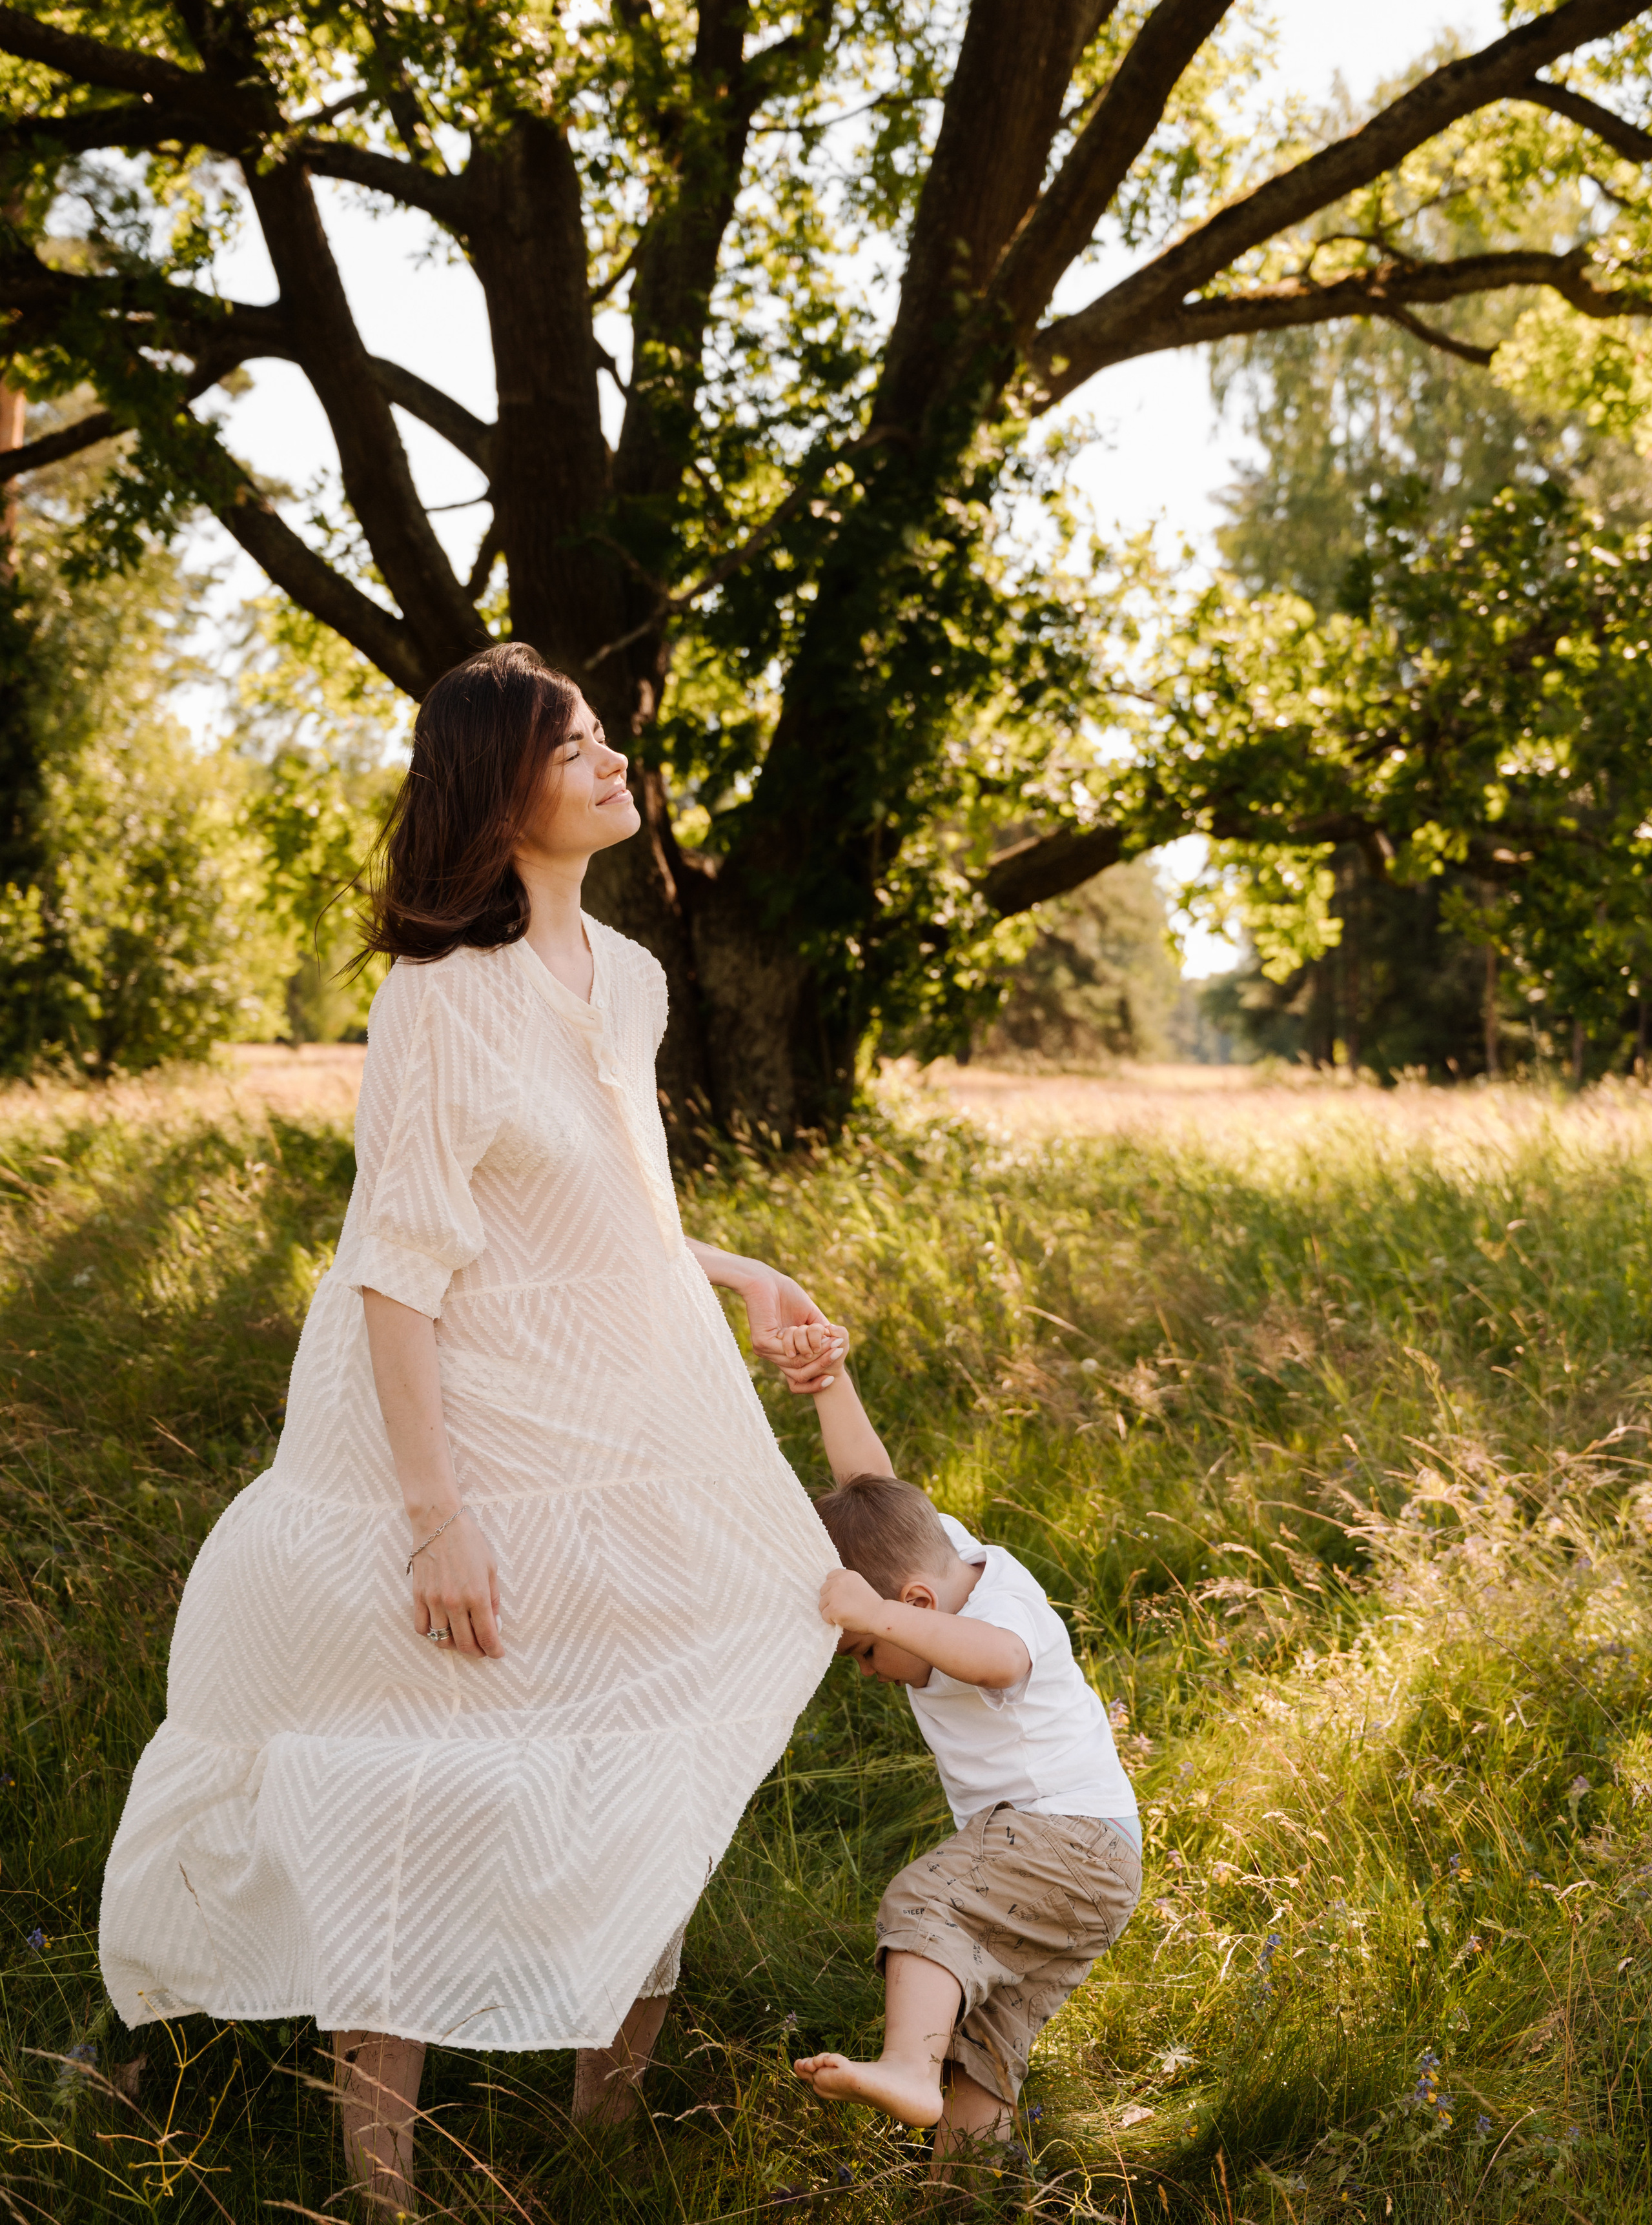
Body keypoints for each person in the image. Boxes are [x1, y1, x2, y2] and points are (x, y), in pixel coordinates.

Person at [100, 644, 845, 2211]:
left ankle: (601, 2143)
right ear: (500, 796)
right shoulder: (439, 996)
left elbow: (609, 1211)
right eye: (573, 748)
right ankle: (380, 2185)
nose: (611, 760)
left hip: (616, 1431)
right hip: (454, 1439)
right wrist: (437, 1517)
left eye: (601, 736)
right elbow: (398, 1264)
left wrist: (740, 1273)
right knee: (409, 1781)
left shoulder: (626, 979)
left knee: (643, 1747)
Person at [786, 1337, 1141, 2180]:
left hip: (1066, 1837)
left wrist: (882, 1620)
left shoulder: (999, 1613)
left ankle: (905, 2070)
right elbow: (874, 1488)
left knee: (926, 1900)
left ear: (913, 1604)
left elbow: (1002, 1662)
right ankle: (965, 2195)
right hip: (1092, 1867)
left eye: (864, 1653)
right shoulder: (935, 1555)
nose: (869, 1672)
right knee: (980, 2049)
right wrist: (829, 1383)